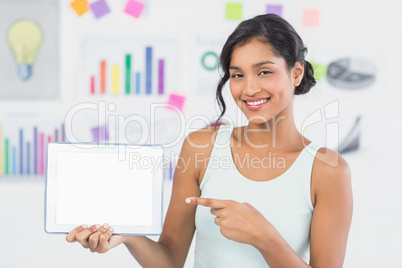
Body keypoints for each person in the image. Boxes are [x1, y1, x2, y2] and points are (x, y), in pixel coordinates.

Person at [66, 14, 353, 268]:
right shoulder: (201, 147)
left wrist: (265, 238)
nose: (249, 88)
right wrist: (127, 236)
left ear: (296, 72)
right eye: (237, 75)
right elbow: (169, 259)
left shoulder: (328, 170)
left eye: (264, 71)